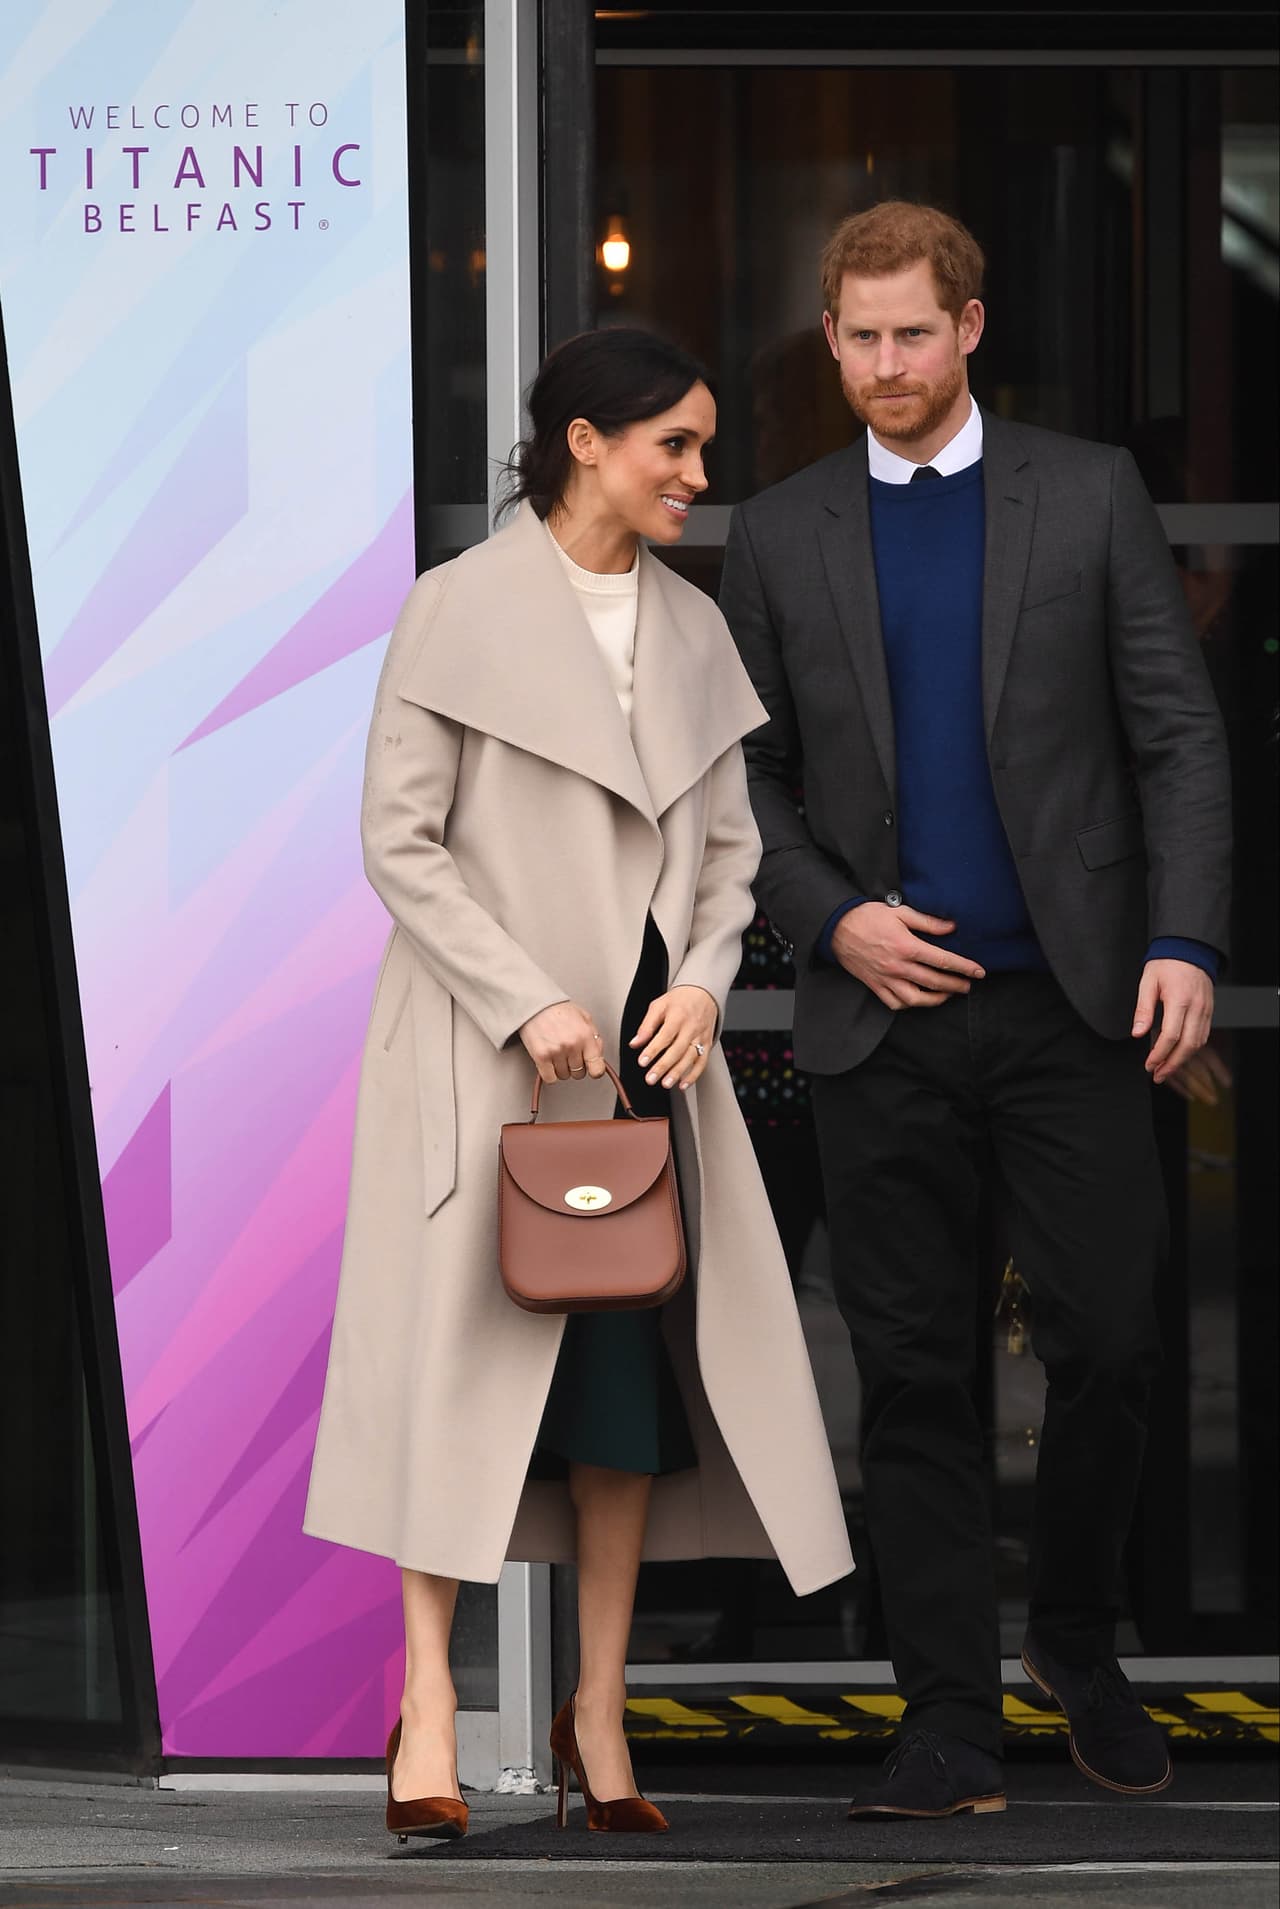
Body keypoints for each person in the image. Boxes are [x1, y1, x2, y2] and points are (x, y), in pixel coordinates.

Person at [304, 328, 853, 1841]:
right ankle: (426, 1702)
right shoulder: (457, 609)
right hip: (490, 1055)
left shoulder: (691, 627)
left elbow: (730, 855)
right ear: (584, 443)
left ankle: (597, 1705)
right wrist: (526, 992)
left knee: (621, 1401)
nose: (698, 471)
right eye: (673, 443)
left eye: (699, 442)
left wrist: (696, 981)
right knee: (448, 1389)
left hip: (639, 1061)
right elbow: (396, 839)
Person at [719, 202, 1231, 1820]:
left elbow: (1178, 738)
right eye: (858, 339)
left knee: (1114, 1337)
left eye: (911, 334)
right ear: (834, 339)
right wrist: (833, 921)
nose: (884, 365)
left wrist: (1185, 937)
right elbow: (748, 772)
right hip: (880, 1020)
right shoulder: (783, 529)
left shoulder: (1084, 495)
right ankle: (943, 1710)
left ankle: (1075, 1638)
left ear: (971, 327)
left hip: (1077, 1007)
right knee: (916, 1368)